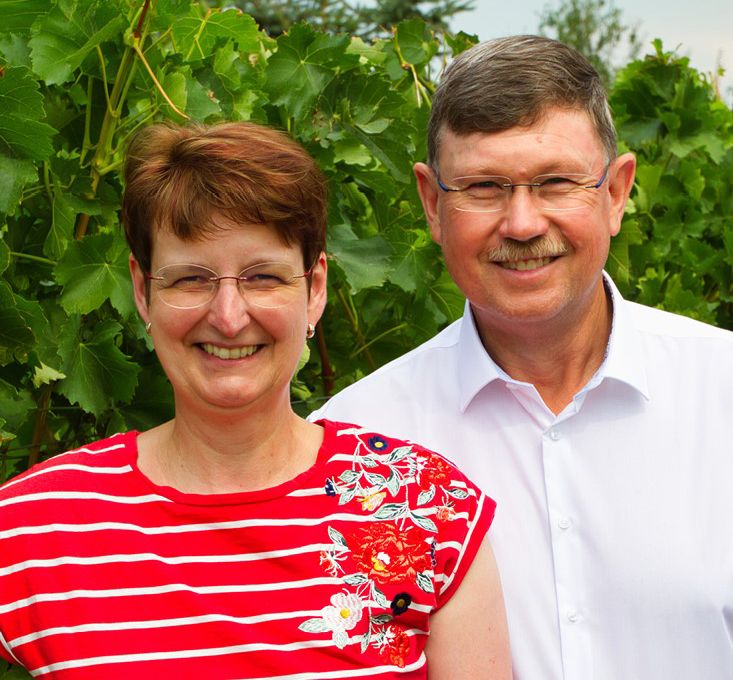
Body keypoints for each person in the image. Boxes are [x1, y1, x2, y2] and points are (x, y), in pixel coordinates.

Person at [0, 122, 511, 679]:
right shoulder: (33, 528)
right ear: (143, 292)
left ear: (315, 289)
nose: (228, 316)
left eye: (263, 277)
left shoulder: (427, 508)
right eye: (190, 279)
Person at [311, 35, 733, 680]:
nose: (523, 223)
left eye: (556, 182)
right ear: (432, 204)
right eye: (484, 187)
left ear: (617, 193)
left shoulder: (722, 391)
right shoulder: (353, 446)